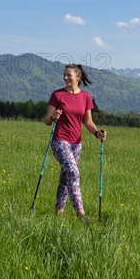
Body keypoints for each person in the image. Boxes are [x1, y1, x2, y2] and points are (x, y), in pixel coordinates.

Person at [44, 64, 107, 220]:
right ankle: (80, 213)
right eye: (64, 75)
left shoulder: (85, 97)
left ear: (77, 77)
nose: (65, 78)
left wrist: (97, 133)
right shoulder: (57, 95)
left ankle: (58, 211)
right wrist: (53, 117)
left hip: (76, 143)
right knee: (73, 172)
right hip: (59, 140)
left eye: (69, 75)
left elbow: (88, 122)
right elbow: (46, 120)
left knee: (66, 177)